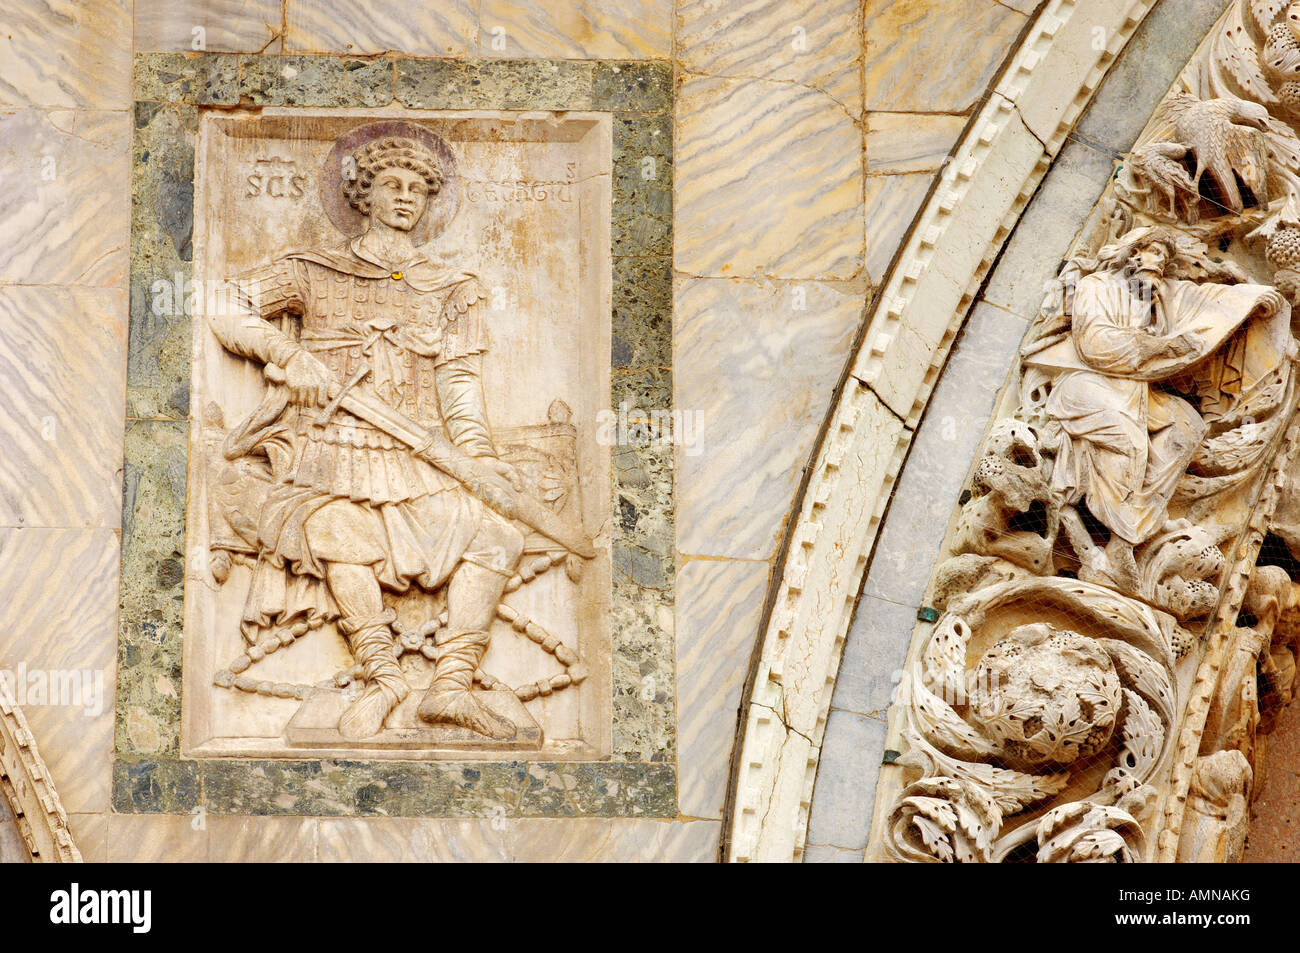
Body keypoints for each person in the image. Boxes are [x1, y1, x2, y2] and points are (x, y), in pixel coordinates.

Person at [210, 132, 526, 741]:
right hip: (332, 450)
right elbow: (222, 302)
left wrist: (481, 460)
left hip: (418, 453)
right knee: (339, 531)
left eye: (418, 189)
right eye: (393, 185)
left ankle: (451, 687)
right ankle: (383, 678)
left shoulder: (453, 288)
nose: (406, 197)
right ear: (363, 193)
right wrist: (287, 354)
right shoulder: (311, 271)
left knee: (498, 536)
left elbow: (460, 387)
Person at [1025, 226, 1291, 581]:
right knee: (1130, 440)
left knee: (1185, 427)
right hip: (1087, 384)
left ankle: (1128, 537)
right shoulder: (1097, 286)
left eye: (1166, 261)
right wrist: (1161, 348)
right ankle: (1112, 537)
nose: (1161, 265)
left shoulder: (1154, 297)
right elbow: (1095, 344)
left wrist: (1250, 298)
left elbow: (1202, 299)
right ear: (1132, 254)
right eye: (1155, 254)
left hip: (1137, 394)